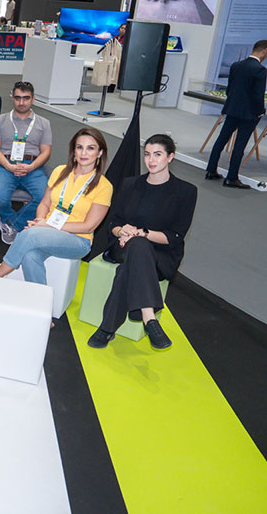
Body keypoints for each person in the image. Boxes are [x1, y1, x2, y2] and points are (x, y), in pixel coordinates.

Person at [0, 127, 112, 301]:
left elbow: (89, 226)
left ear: (100, 153)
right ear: (74, 150)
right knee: (30, 256)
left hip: (78, 240)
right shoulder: (60, 171)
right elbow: (44, 203)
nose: (84, 153)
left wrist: (48, 225)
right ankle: (41, 305)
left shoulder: (104, 186)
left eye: (90, 148)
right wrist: (41, 220)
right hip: (48, 231)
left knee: (29, 235)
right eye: (79, 147)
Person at [88, 134, 197, 351]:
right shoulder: (130, 184)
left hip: (162, 253)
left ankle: (107, 328)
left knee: (130, 263)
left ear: (170, 157)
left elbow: (175, 236)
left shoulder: (186, 191)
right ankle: (149, 317)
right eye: (147, 154)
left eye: (158, 154)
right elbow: (114, 223)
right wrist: (123, 231)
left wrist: (142, 233)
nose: (151, 160)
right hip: (124, 246)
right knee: (137, 247)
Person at [0, 81, 52, 243]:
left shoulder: (44, 123)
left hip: (33, 167)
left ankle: (12, 224)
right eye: (18, 98)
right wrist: (8, 166)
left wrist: (31, 167)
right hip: (6, 165)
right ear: (13, 99)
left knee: (47, 199)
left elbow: (46, 151)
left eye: (26, 98)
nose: (21, 102)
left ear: (33, 99)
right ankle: (14, 222)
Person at [205, 39, 267, 189]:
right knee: (239, 145)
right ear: (264, 51)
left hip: (232, 109)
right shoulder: (260, 70)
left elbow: (229, 89)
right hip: (249, 114)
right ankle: (231, 177)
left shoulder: (236, 65)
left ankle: (211, 170)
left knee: (221, 140)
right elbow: (258, 96)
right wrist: (261, 112)